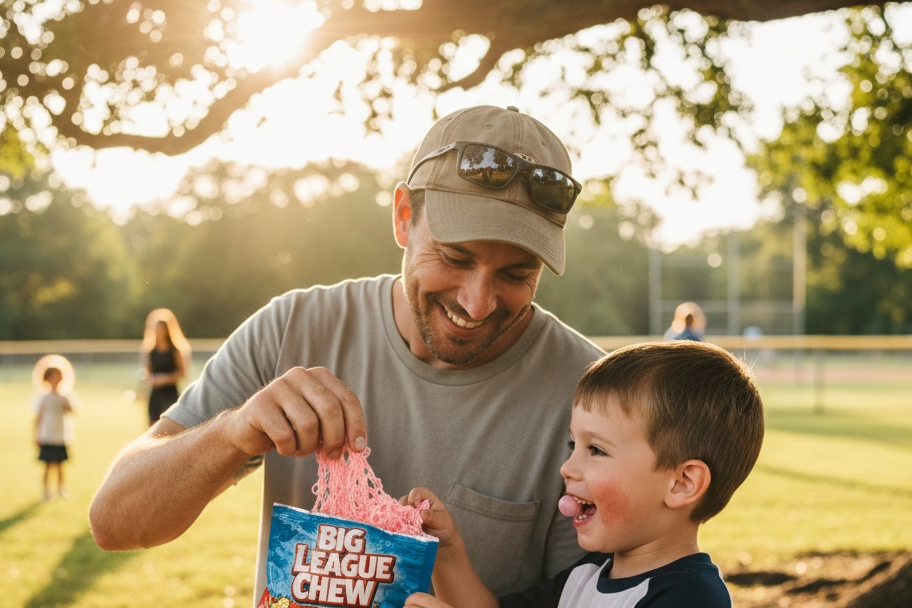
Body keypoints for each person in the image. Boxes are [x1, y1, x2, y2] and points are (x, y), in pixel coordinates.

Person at [88, 105, 606, 604]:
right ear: (404, 218)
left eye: (517, 274)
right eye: (454, 257)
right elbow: (115, 522)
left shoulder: (593, 395)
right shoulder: (293, 326)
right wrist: (232, 431)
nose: (477, 301)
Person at [402, 340, 764, 608]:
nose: (566, 467)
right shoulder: (585, 575)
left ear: (682, 483)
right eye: (572, 445)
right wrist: (445, 552)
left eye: (596, 450)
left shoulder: (691, 599)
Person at [31, 354, 78, 501]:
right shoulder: (43, 397)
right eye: (53, 376)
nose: (56, 380)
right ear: (47, 378)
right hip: (47, 435)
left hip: (61, 435)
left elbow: (73, 411)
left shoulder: (65, 396)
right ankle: (46, 490)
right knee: (47, 465)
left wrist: (67, 404)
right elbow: (37, 418)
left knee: (60, 465)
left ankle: (61, 488)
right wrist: (36, 435)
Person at [140, 308, 191, 426]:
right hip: (155, 395)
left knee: (169, 428)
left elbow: (183, 373)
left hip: (170, 394)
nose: (158, 331)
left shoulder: (175, 350)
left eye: (161, 328)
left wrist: (165, 379)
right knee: (152, 427)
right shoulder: (150, 351)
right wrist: (147, 380)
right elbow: (147, 373)